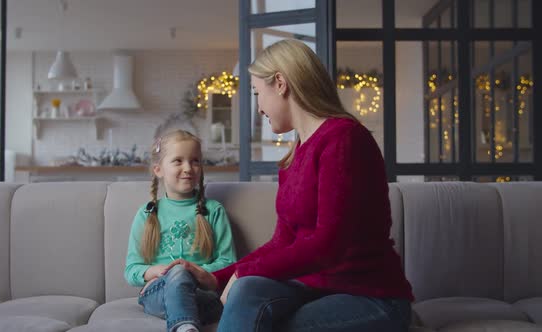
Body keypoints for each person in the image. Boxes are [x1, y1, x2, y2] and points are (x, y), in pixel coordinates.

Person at [163, 39, 414, 332]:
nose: (258, 108)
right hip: (316, 288)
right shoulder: (293, 157)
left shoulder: (344, 139)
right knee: (247, 292)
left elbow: (327, 246)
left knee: (258, 313)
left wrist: (244, 271)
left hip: (371, 297)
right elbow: (282, 242)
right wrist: (219, 277)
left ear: (280, 83)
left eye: (258, 93)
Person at [124, 130, 237, 332]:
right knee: (177, 273)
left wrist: (195, 271)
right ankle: (185, 326)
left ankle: (184, 323)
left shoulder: (214, 211)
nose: (188, 168)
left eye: (195, 161)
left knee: (184, 275)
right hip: (159, 292)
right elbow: (131, 270)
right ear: (158, 169)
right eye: (178, 161)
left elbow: (228, 263)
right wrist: (154, 272)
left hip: (202, 293)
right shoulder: (147, 213)